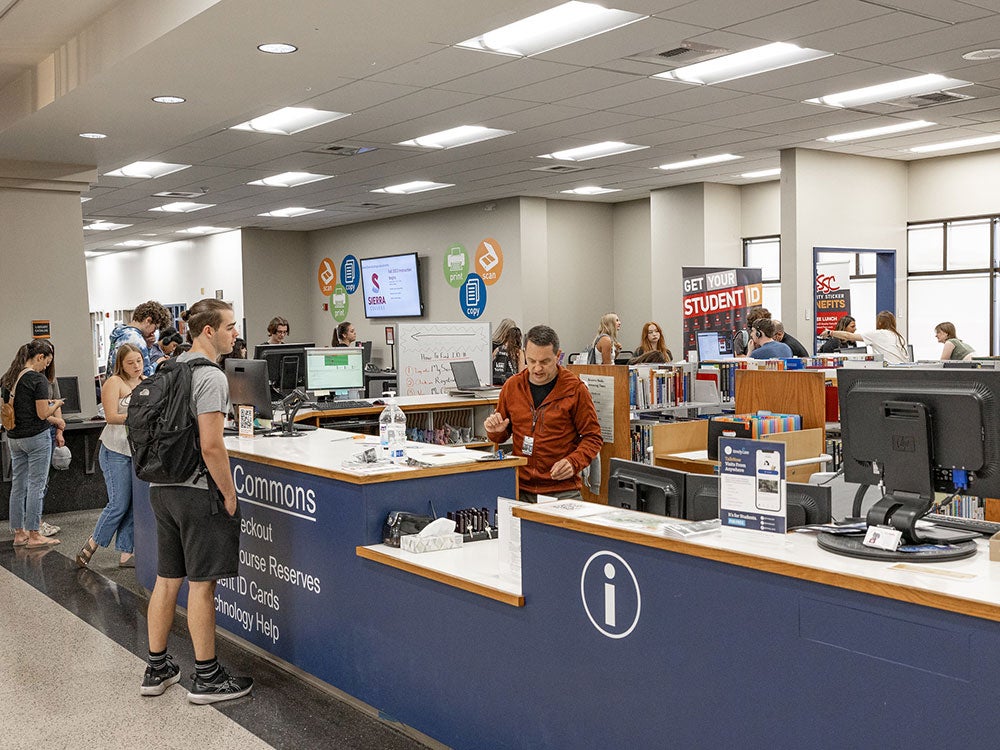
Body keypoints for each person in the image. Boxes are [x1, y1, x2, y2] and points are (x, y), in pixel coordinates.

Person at [141, 298, 253, 703]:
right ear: (208, 330)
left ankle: (157, 668)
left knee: (167, 579)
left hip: (161, 489)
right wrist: (228, 492)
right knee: (203, 586)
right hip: (195, 492)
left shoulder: (167, 369)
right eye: (230, 327)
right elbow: (211, 445)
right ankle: (206, 677)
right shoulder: (211, 378)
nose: (235, 333)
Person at [484, 325, 603, 502]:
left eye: (545, 362)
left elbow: (593, 437)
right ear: (524, 354)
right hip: (520, 488)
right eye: (531, 361)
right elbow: (500, 437)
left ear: (558, 355)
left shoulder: (575, 390)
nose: (537, 368)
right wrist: (495, 431)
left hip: (562, 489)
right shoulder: (512, 387)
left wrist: (573, 462)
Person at [76, 343, 143, 569]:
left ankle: (126, 553)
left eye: (139, 360)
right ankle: (93, 542)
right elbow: (111, 416)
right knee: (119, 503)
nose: (136, 366)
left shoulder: (145, 383)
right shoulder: (114, 382)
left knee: (132, 504)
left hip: (136, 451)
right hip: (114, 450)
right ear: (120, 365)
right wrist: (139, 417)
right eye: (130, 362)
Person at [2, 340, 64, 548]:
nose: (46, 366)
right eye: (47, 361)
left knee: (18, 486)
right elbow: (42, 413)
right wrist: (56, 404)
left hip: (14, 438)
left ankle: (19, 534)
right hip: (36, 439)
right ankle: (35, 534)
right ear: (39, 357)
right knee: (36, 485)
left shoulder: (9, 378)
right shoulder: (37, 380)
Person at [107, 300, 172, 378]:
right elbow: (144, 375)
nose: (153, 333)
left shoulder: (121, 332)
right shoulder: (136, 339)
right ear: (148, 320)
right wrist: (158, 363)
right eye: (155, 328)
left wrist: (148, 346)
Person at [820, 310, 909, 364]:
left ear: (880, 323)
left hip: (889, 372)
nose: (855, 329)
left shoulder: (878, 334)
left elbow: (848, 336)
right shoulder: (900, 337)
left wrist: (829, 332)